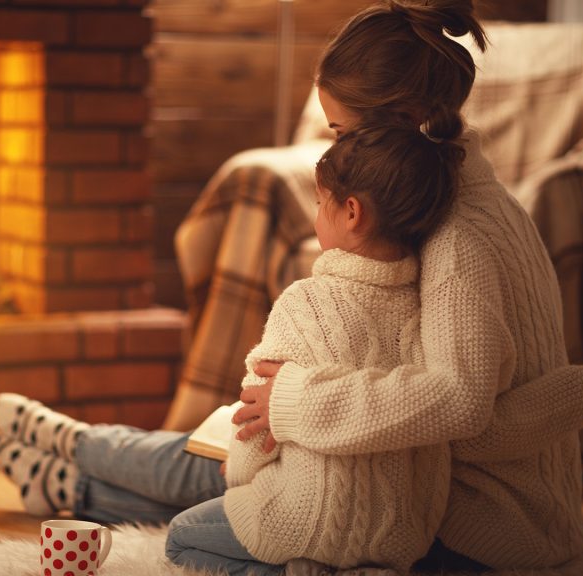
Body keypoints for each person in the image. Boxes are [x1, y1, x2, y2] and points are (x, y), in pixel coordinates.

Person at [0, 0, 583, 573]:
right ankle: (70, 466)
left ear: (406, 118)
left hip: (487, 524)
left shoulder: (460, 239)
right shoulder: (467, 199)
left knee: (228, 468)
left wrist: (297, 405)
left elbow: (460, 404)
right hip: (437, 477)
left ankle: (75, 465)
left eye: (342, 131)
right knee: (233, 450)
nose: (336, 150)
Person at [164, 124, 465, 576]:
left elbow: (253, 425)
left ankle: (301, 570)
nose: (315, 217)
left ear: (351, 212)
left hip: (306, 520)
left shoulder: (305, 302)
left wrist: (242, 476)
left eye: (318, 203)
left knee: (181, 537)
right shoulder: (430, 309)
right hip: (405, 534)